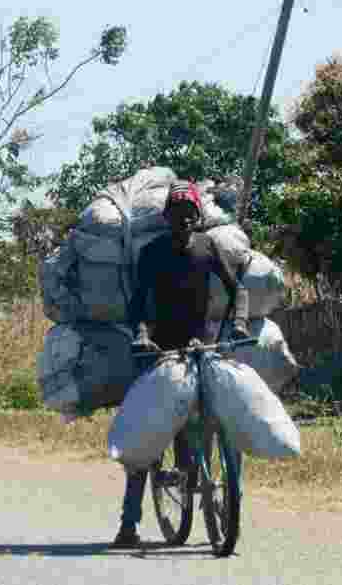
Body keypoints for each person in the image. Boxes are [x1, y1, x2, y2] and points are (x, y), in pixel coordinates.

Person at [112, 180, 251, 548]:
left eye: (190, 213)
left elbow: (238, 290)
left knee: (224, 413)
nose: (184, 220)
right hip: (160, 347)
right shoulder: (153, 252)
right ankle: (129, 523)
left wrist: (237, 324)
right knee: (148, 431)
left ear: (199, 216)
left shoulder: (208, 248)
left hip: (201, 345)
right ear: (166, 218)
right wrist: (141, 334)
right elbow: (139, 302)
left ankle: (228, 498)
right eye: (177, 214)